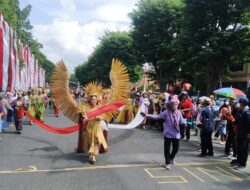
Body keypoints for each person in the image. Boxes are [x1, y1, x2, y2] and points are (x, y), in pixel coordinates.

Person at [145, 97, 186, 170]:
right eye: (174, 104)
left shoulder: (179, 112)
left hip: (176, 133)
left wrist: (185, 122)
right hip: (168, 133)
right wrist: (148, 115)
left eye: (177, 104)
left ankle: (171, 158)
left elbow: (182, 120)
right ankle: (167, 163)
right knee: (167, 149)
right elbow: (157, 117)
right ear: (170, 105)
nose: (176, 106)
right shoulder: (166, 112)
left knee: (176, 149)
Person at [232, 97, 250, 170]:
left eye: (239, 102)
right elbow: (237, 121)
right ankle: (239, 162)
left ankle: (242, 164)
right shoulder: (240, 111)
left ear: (242, 103)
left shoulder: (247, 112)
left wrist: (249, 133)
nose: (238, 103)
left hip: (245, 133)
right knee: (239, 148)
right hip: (240, 132)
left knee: (244, 149)